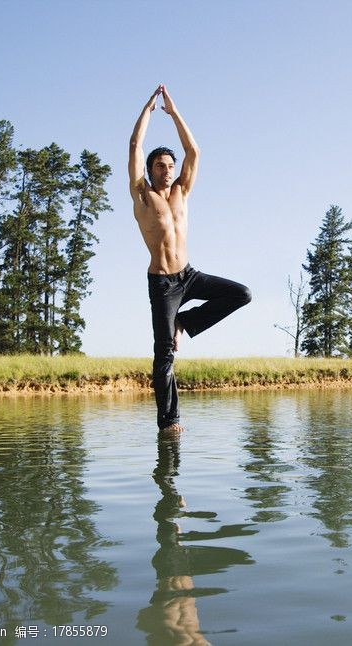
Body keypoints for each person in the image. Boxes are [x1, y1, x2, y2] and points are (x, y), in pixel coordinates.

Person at [130, 84, 251, 433]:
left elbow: (193, 150)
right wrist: (148, 112)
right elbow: (135, 146)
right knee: (164, 353)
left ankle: (186, 321)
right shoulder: (143, 196)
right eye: (160, 165)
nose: (167, 169)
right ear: (151, 171)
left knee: (241, 294)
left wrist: (174, 111)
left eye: (170, 165)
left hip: (189, 275)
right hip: (163, 284)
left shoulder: (182, 191)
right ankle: (169, 423)